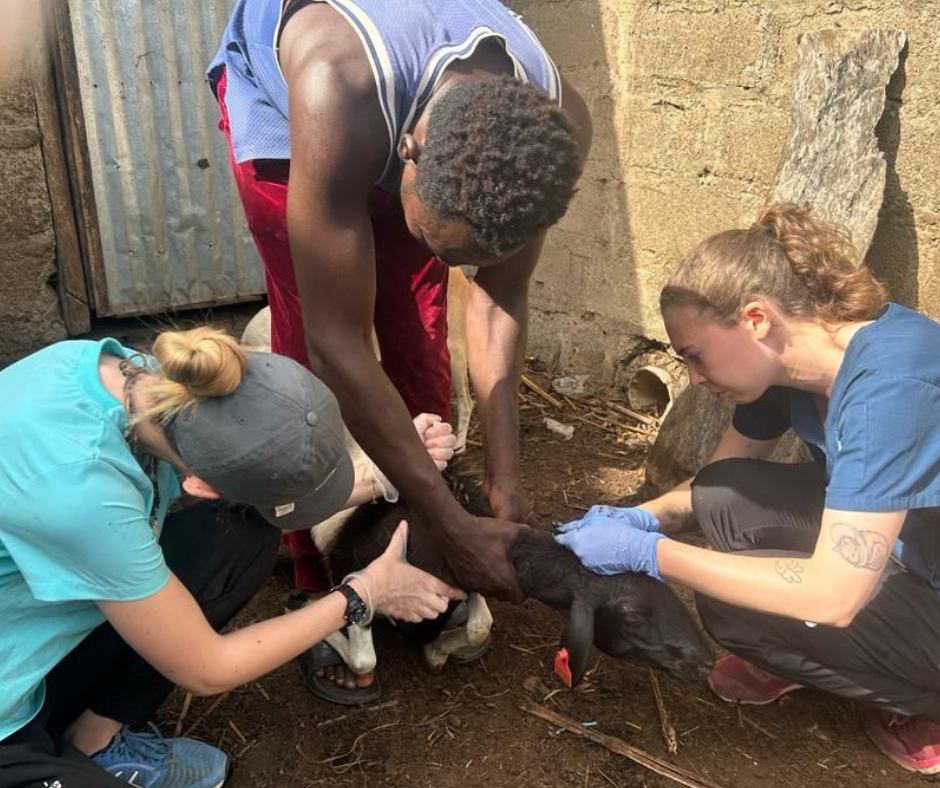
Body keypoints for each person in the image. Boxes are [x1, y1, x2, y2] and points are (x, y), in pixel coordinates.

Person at [206, 2, 593, 622]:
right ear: (406, 154)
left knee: (419, 330)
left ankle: (414, 537)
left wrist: (506, 479)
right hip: (292, 107)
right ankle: (314, 566)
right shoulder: (336, 86)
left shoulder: (552, 132)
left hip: (395, 132)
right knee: (307, 361)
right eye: (437, 241)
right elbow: (337, 341)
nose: (441, 259)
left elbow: (499, 298)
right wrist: (457, 528)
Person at [556, 203, 940, 777]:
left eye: (695, 355)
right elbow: (714, 483)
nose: (694, 378)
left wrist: (649, 553)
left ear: (756, 318)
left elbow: (832, 596)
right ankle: (803, 655)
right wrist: (638, 517)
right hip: (911, 549)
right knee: (725, 492)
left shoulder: (891, 388)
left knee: (731, 608)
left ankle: (923, 701)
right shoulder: (793, 367)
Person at [0, 327, 463, 788]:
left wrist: (381, 478)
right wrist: (365, 592)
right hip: (7, 705)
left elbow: (262, 496)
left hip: (34, 619)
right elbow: (208, 668)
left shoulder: (159, 384)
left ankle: (91, 741)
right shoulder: (84, 494)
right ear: (201, 487)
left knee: (238, 534)